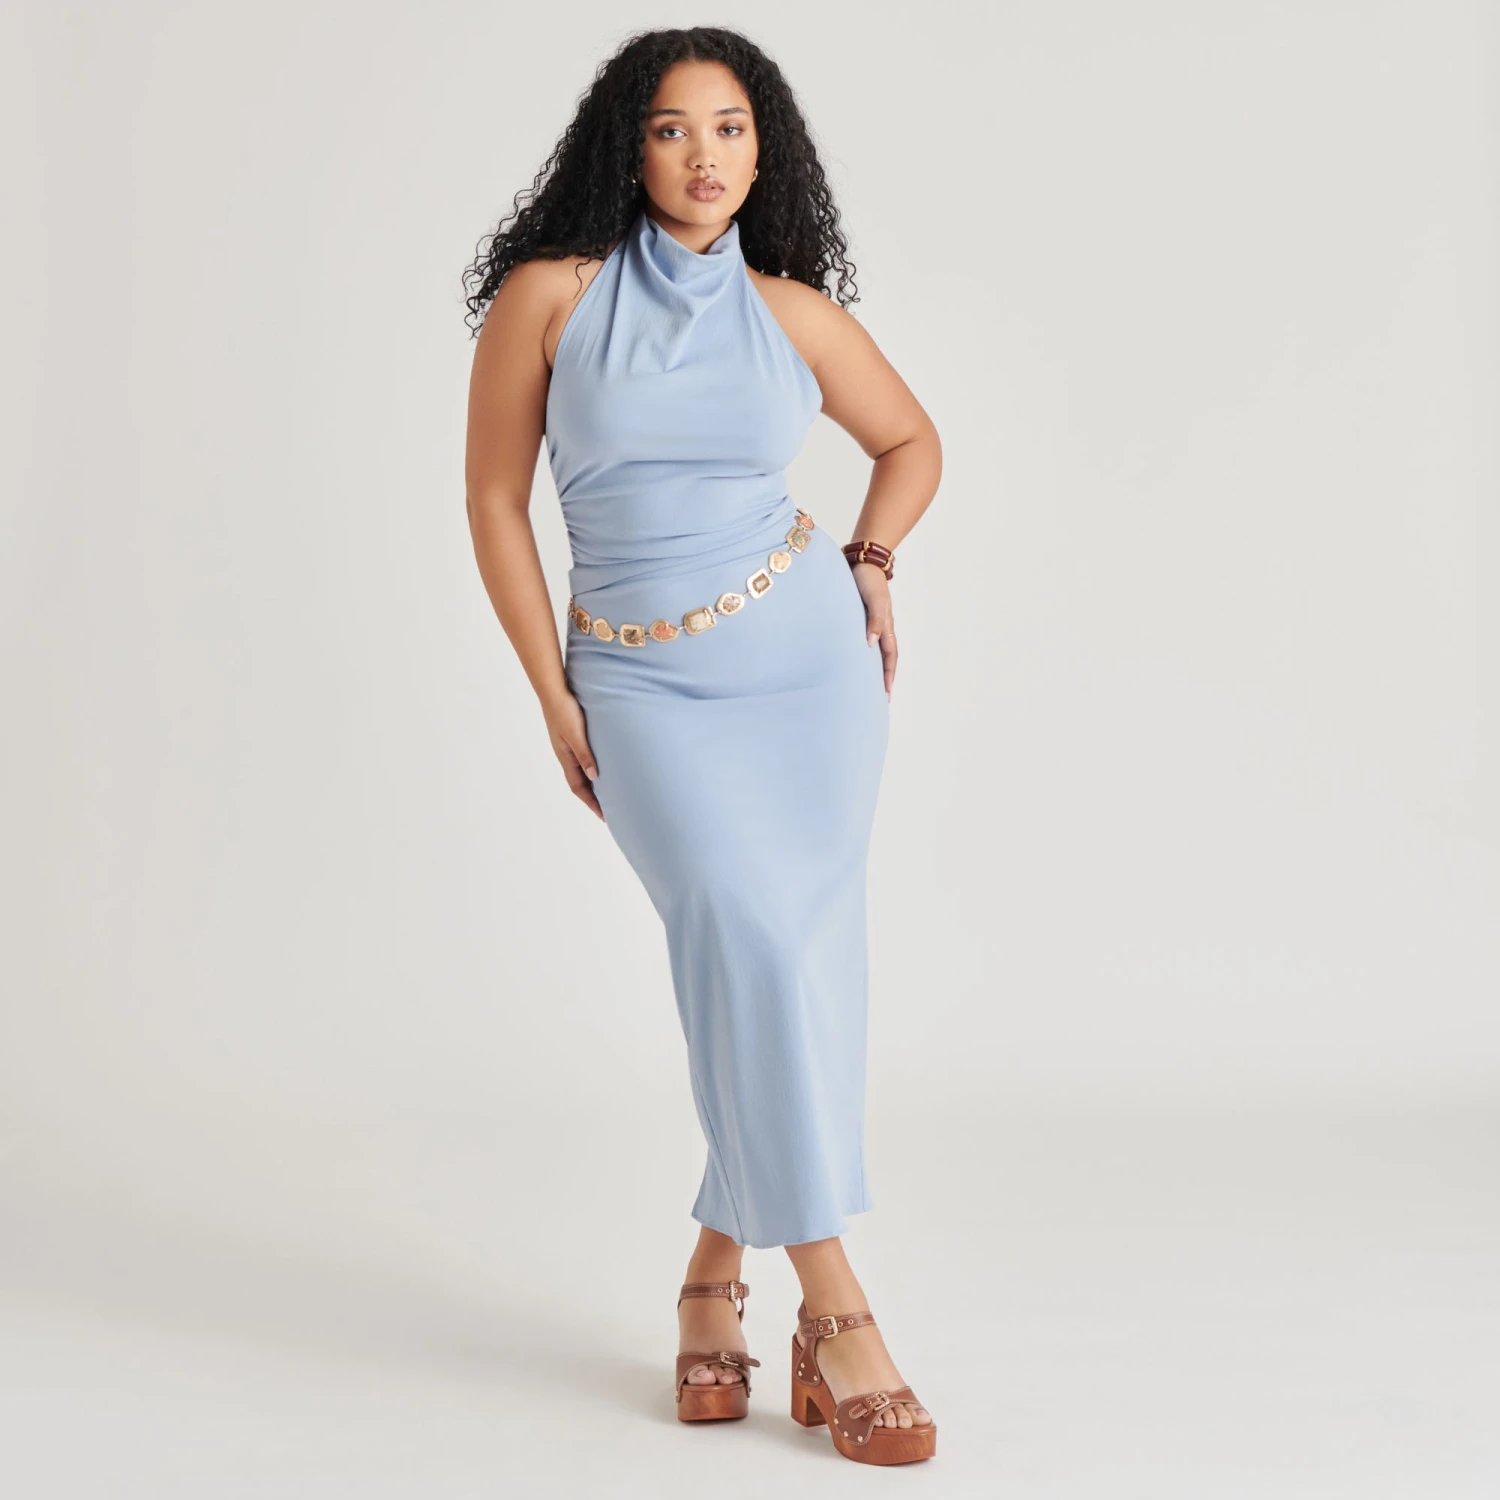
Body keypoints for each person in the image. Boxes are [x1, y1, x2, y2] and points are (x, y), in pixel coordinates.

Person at [461, 27, 941, 1465]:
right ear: (630, 146)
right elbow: (493, 501)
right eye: (673, 128)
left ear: (762, 147)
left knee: (789, 961)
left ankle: (713, 1282)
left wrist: (873, 558)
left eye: (731, 127)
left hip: (808, 675)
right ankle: (837, 1308)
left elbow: (913, 442)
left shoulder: (791, 314)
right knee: (742, 933)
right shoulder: (552, 298)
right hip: (639, 681)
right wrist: (553, 694)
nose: (704, 155)